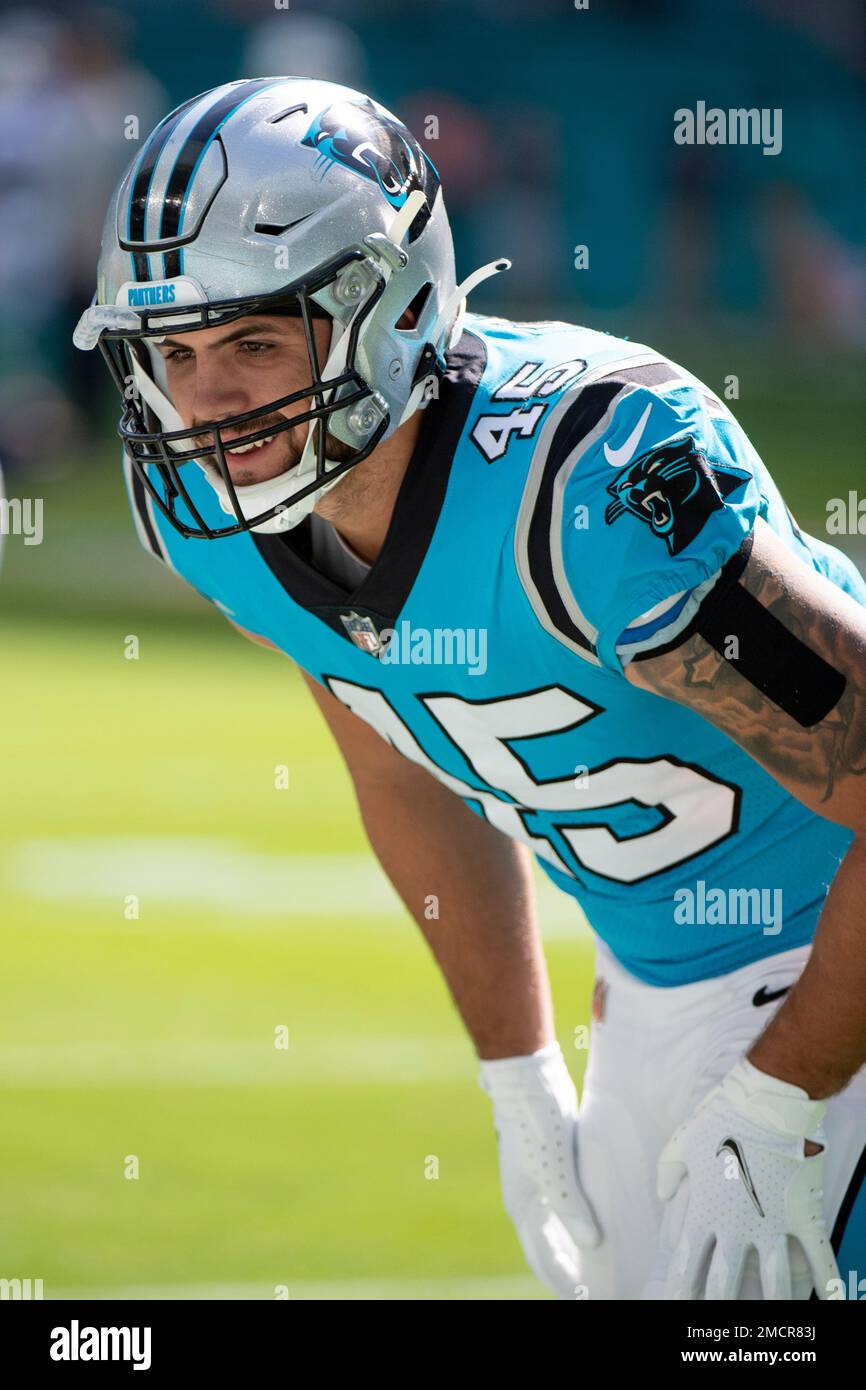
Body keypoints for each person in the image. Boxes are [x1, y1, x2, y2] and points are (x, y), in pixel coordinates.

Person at [75, 77, 866, 1301]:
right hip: (650, 985)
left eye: (251, 341)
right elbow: (392, 746)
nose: (209, 404)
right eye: (173, 354)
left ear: (384, 309)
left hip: (832, 960)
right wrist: (518, 1076)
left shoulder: (596, 492)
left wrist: (783, 1094)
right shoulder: (217, 515)